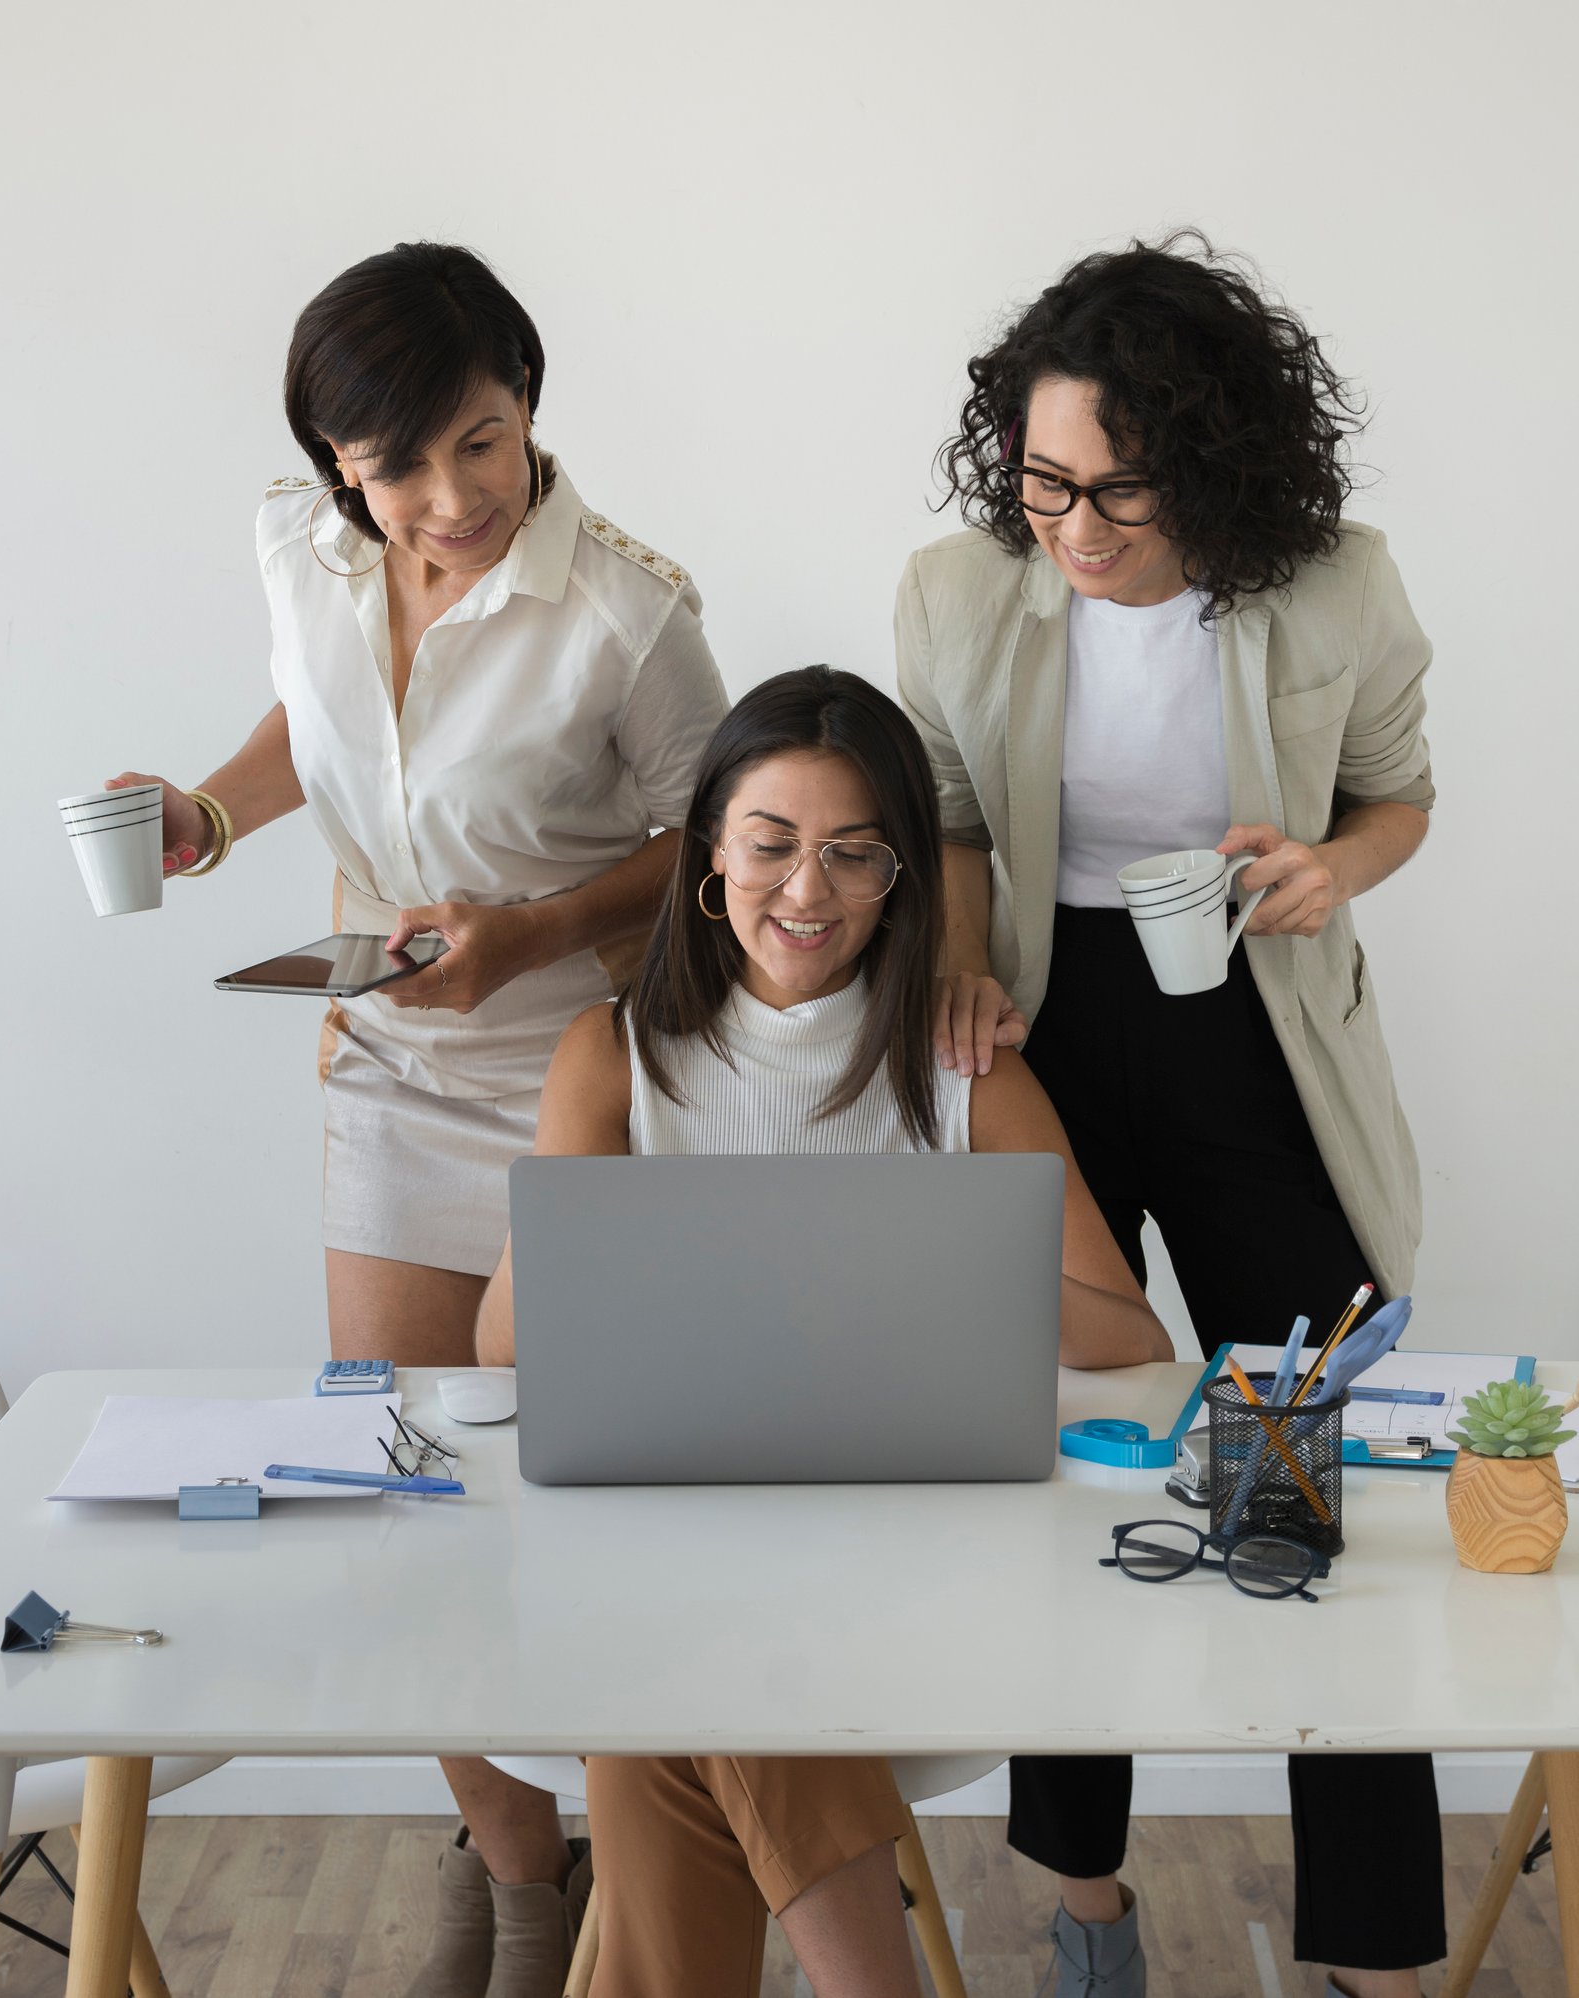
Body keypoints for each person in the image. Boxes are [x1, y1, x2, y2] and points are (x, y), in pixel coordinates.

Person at [107, 242, 729, 1998]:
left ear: (530, 407)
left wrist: (529, 933)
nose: (448, 499)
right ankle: (520, 1874)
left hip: (579, 1077)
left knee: (558, 1496)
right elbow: (318, 728)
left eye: (482, 441)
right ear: (335, 467)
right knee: (392, 1501)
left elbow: (716, 842)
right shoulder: (297, 551)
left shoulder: (625, 608)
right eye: (396, 467)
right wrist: (205, 820)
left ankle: (628, 1883)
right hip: (386, 1066)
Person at [897, 232, 1441, 1998]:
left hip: (1257, 1026)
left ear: (1217, 467)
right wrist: (966, 969)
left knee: (1295, 1481)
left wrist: (1326, 867)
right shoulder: (958, 593)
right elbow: (958, 817)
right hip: (1055, 1032)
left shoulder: (1338, 588)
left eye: (1120, 493)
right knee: (1077, 1463)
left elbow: (1398, 798)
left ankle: (1365, 1954)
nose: (1075, 529)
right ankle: (1089, 1906)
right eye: (1045, 483)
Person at [476, 665, 1172, 1998]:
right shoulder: (609, 1055)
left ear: (903, 873)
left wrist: (930, 1268)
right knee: (684, 1661)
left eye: (855, 853)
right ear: (708, 858)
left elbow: (1128, 1336)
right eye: (773, 845)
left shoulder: (966, 1065)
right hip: (664, 1560)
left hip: (913, 1577)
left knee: (664, 1692)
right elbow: (508, 1347)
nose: (808, 891)